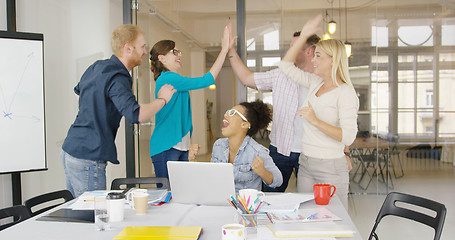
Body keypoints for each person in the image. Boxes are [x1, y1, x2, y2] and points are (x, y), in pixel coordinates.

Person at [61, 25, 176, 198]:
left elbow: (79, 94)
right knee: (95, 215)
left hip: (70, 149)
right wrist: (163, 99)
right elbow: (137, 114)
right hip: (88, 157)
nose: (145, 52)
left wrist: (96, 113)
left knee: (79, 212)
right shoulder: (118, 76)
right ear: (128, 48)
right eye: (142, 46)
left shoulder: (98, 66)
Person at [227, 26, 327, 192]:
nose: (290, 50)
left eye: (294, 46)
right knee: (269, 199)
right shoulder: (280, 75)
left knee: (311, 202)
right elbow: (246, 78)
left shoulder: (323, 80)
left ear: (309, 51)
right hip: (280, 150)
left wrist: (345, 153)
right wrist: (231, 52)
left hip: (312, 153)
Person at [279, 14, 359, 209]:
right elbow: (285, 66)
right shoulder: (315, 83)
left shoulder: (345, 93)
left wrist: (315, 121)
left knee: (336, 219)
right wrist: (305, 34)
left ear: (333, 60)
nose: (313, 60)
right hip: (306, 163)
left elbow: (348, 137)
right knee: (307, 214)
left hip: (330, 166)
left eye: (318, 56)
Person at [148, 24, 230, 180]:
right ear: (162, 58)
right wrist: (224, 50)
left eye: (179, 52)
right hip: (167, 146)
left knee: (181, 193)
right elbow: (207, 79)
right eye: (175, 52)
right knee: (170, 195)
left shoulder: (172, 79)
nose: (179, 55)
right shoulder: (169, 78)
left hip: (179, 146)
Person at [189, 100, 283, 192]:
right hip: (220, 202)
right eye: (228, 112)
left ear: (244, 124)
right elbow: (211, 177)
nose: (226, 115)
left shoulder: (258, 151)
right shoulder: (218, 145)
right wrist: (193, 161)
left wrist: (263, 172)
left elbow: (278, 181)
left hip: (244, 205)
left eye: (233, 113)